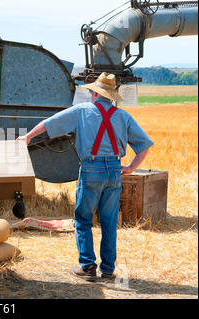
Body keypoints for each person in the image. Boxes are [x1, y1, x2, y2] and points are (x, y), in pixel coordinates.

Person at [17, 72, 154, 281]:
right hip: (115, 170)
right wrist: (131, 167)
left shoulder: (82, 111)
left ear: (94, 93)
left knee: (83, 219)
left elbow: (49, 123)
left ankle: (88, 267)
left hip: (91, 169)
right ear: (112, 95)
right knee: (109, 221)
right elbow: (144, 146)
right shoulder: (123, 116)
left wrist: (27, 137)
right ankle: (108, 269)